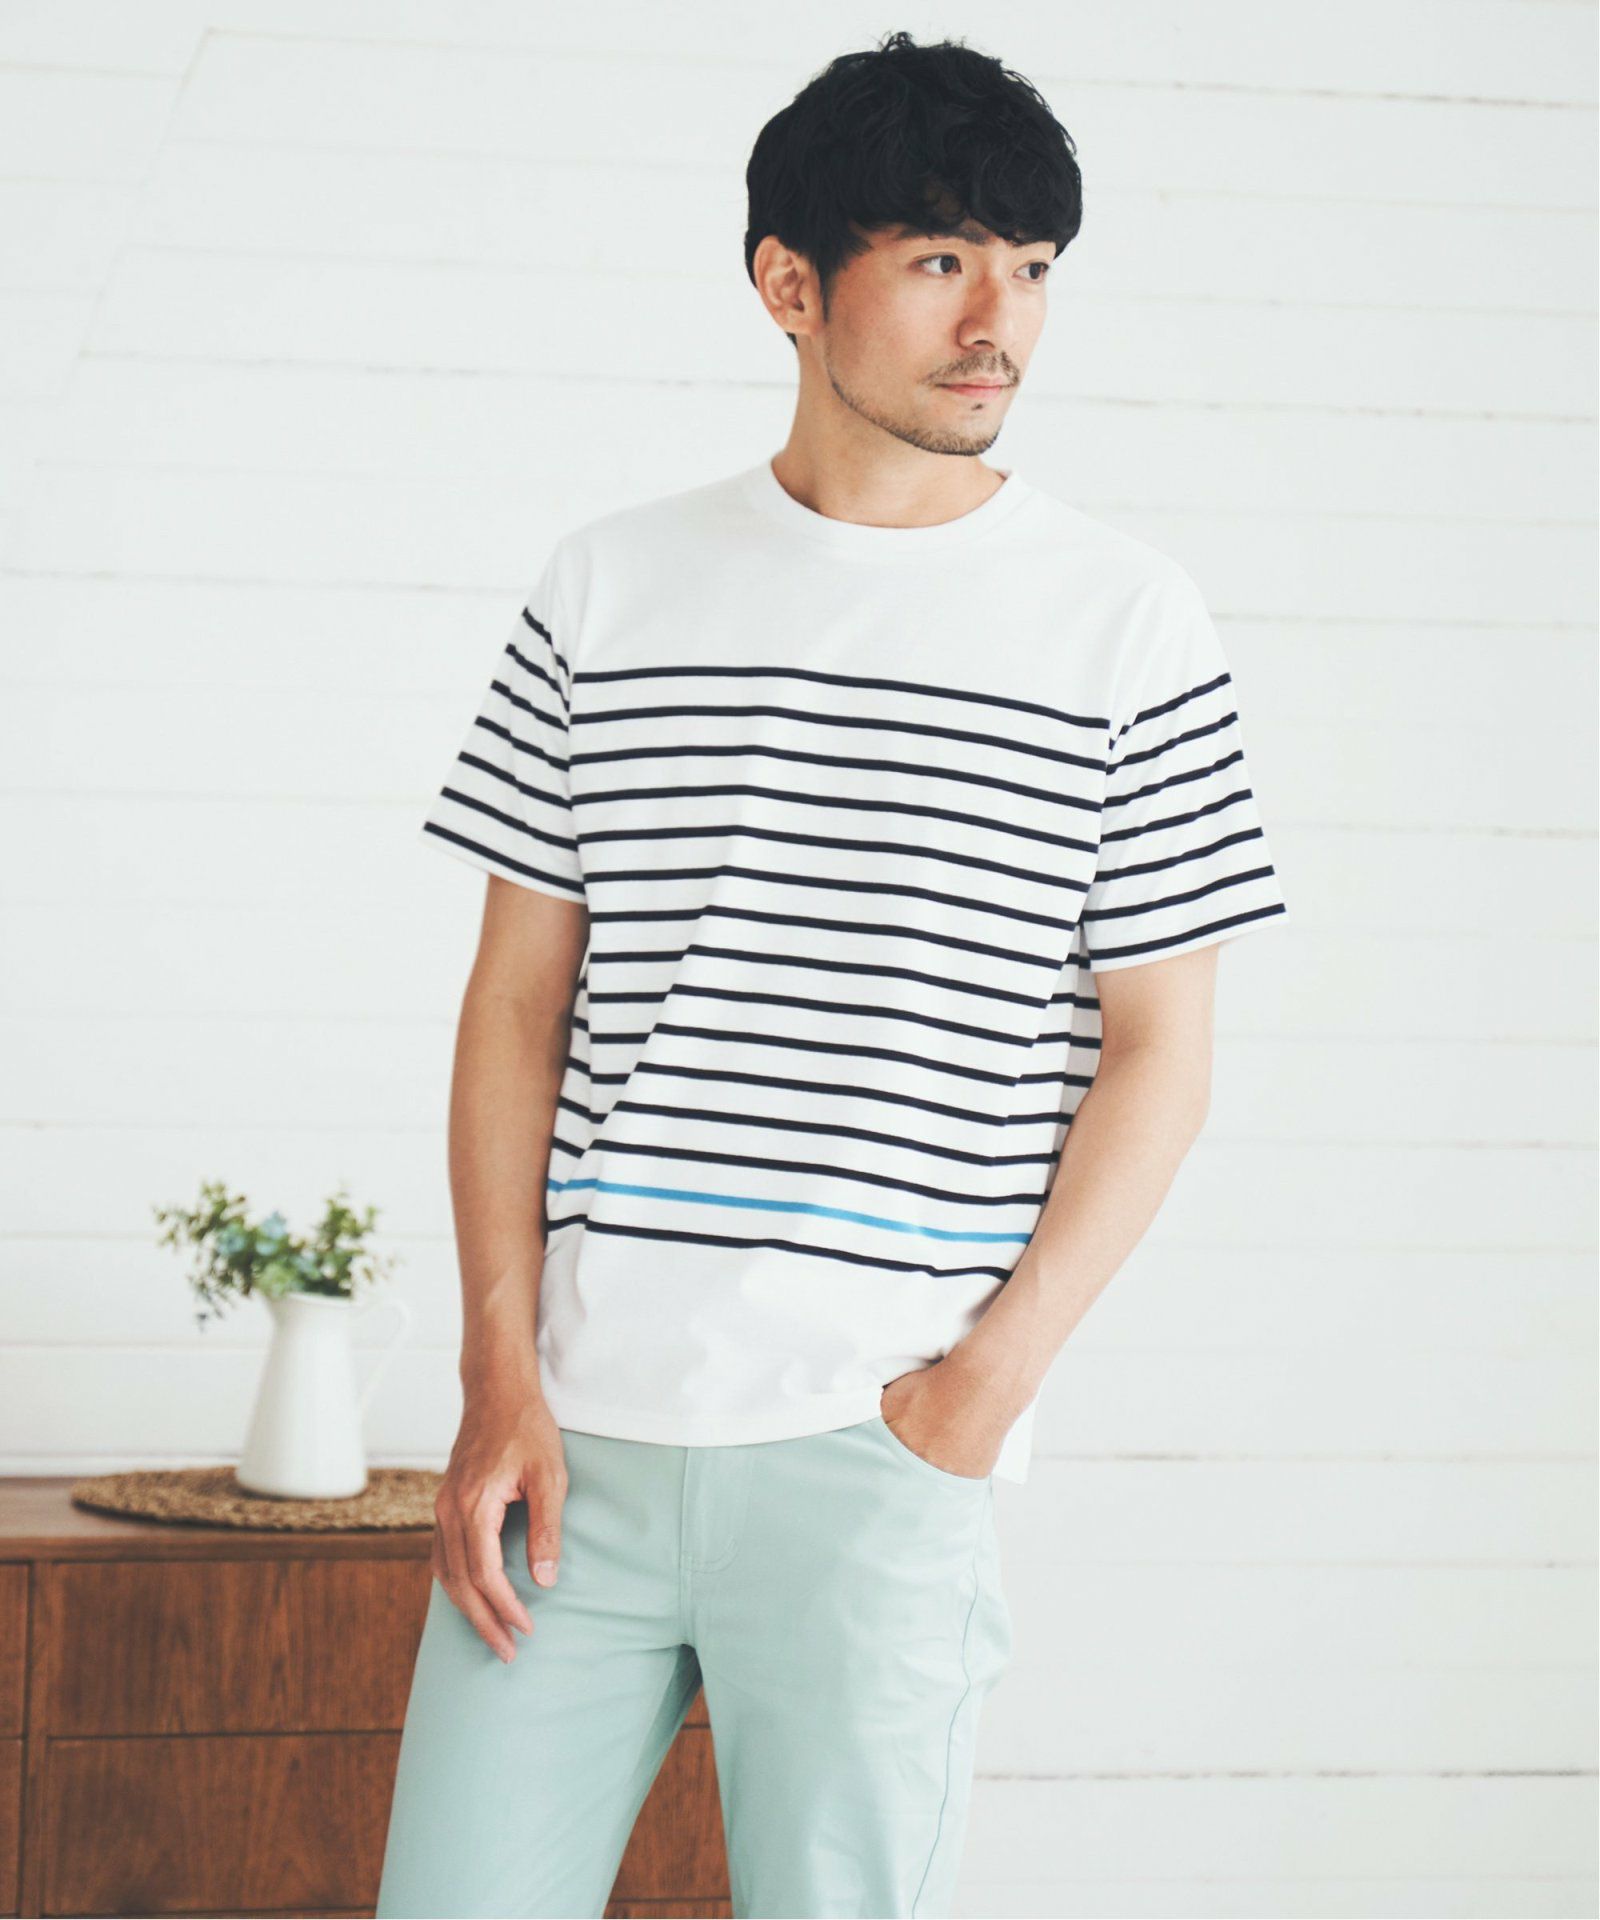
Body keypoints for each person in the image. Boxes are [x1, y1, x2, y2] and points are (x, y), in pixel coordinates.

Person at [376, 28, 1289, 1920]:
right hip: (572, 1443)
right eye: (944, 258)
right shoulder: (607, 588)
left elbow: (1162, 1053)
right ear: (789, 284)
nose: (999, 322)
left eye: (1031, 267)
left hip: (876, 1445)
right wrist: (495, 1374)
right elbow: (516, 1009)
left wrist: (979, 1394)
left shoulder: (1124, 622)